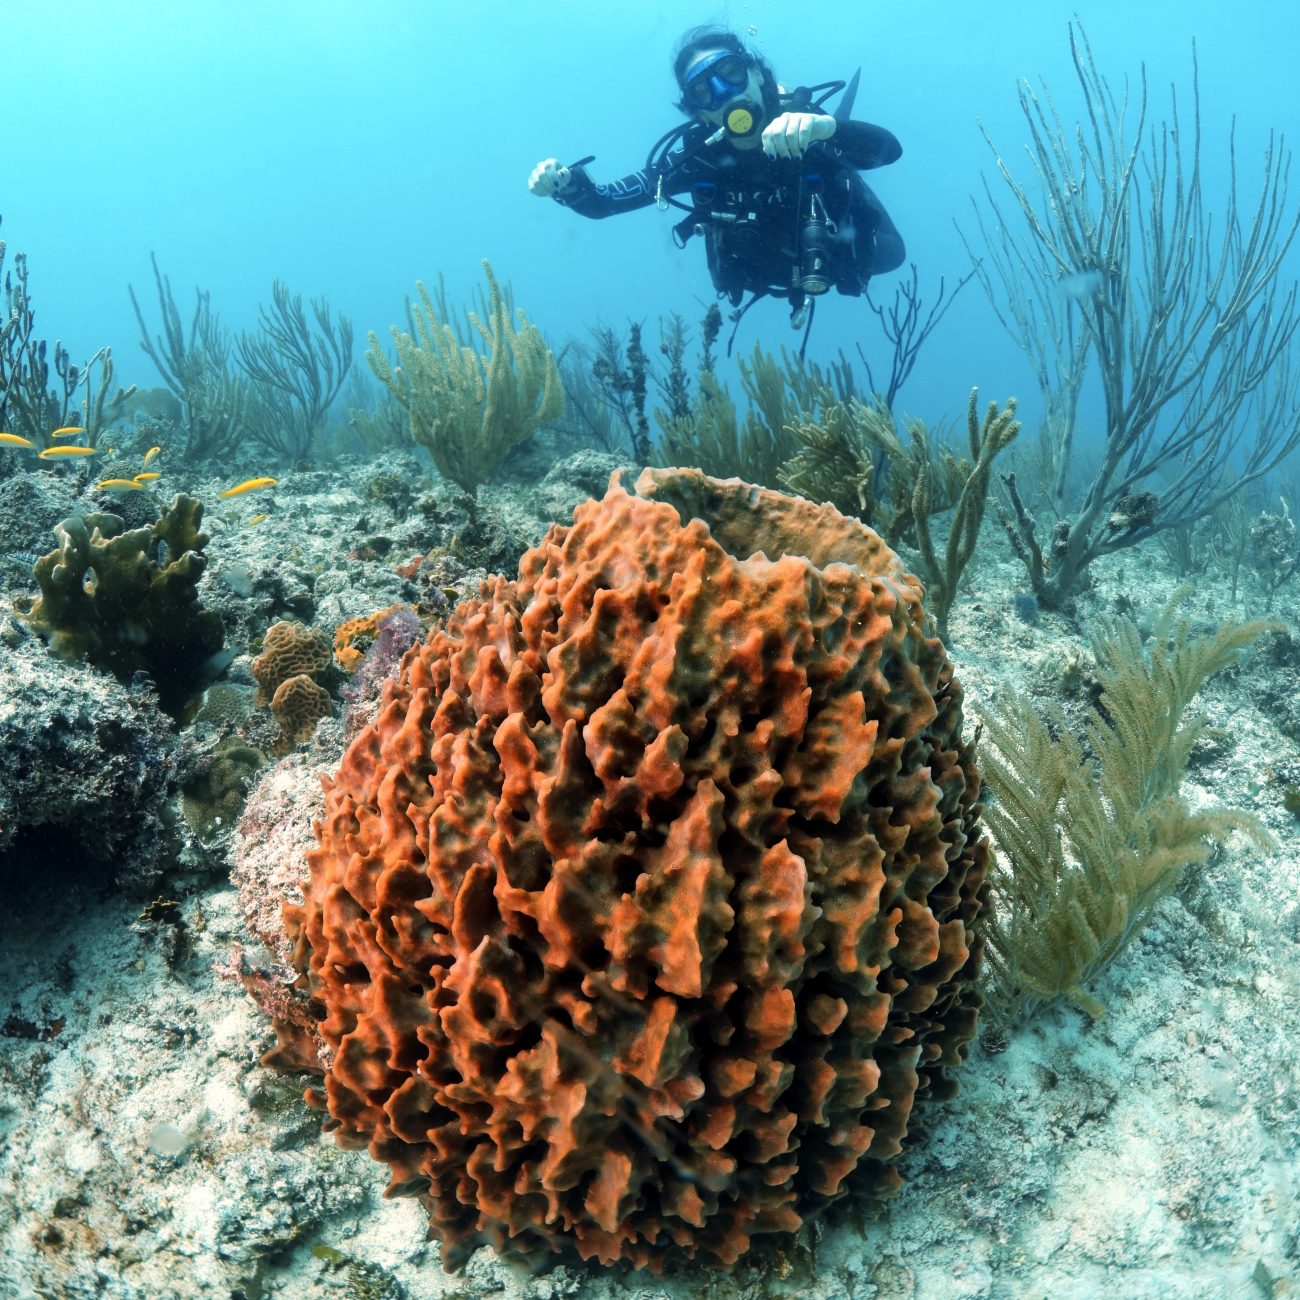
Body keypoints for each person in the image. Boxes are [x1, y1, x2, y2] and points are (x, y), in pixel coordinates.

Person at [528, 26, 905, 351]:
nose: (724, 92)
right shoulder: (698, 160)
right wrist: (566, 184)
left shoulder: (806, 128)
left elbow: (889, 151)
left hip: (837, 258)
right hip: (765, 273)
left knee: (892, 254)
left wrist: (830, 129)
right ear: (697, 112)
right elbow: (603, 203)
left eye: (732, 73)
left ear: (757, 74)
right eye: (704, 92)